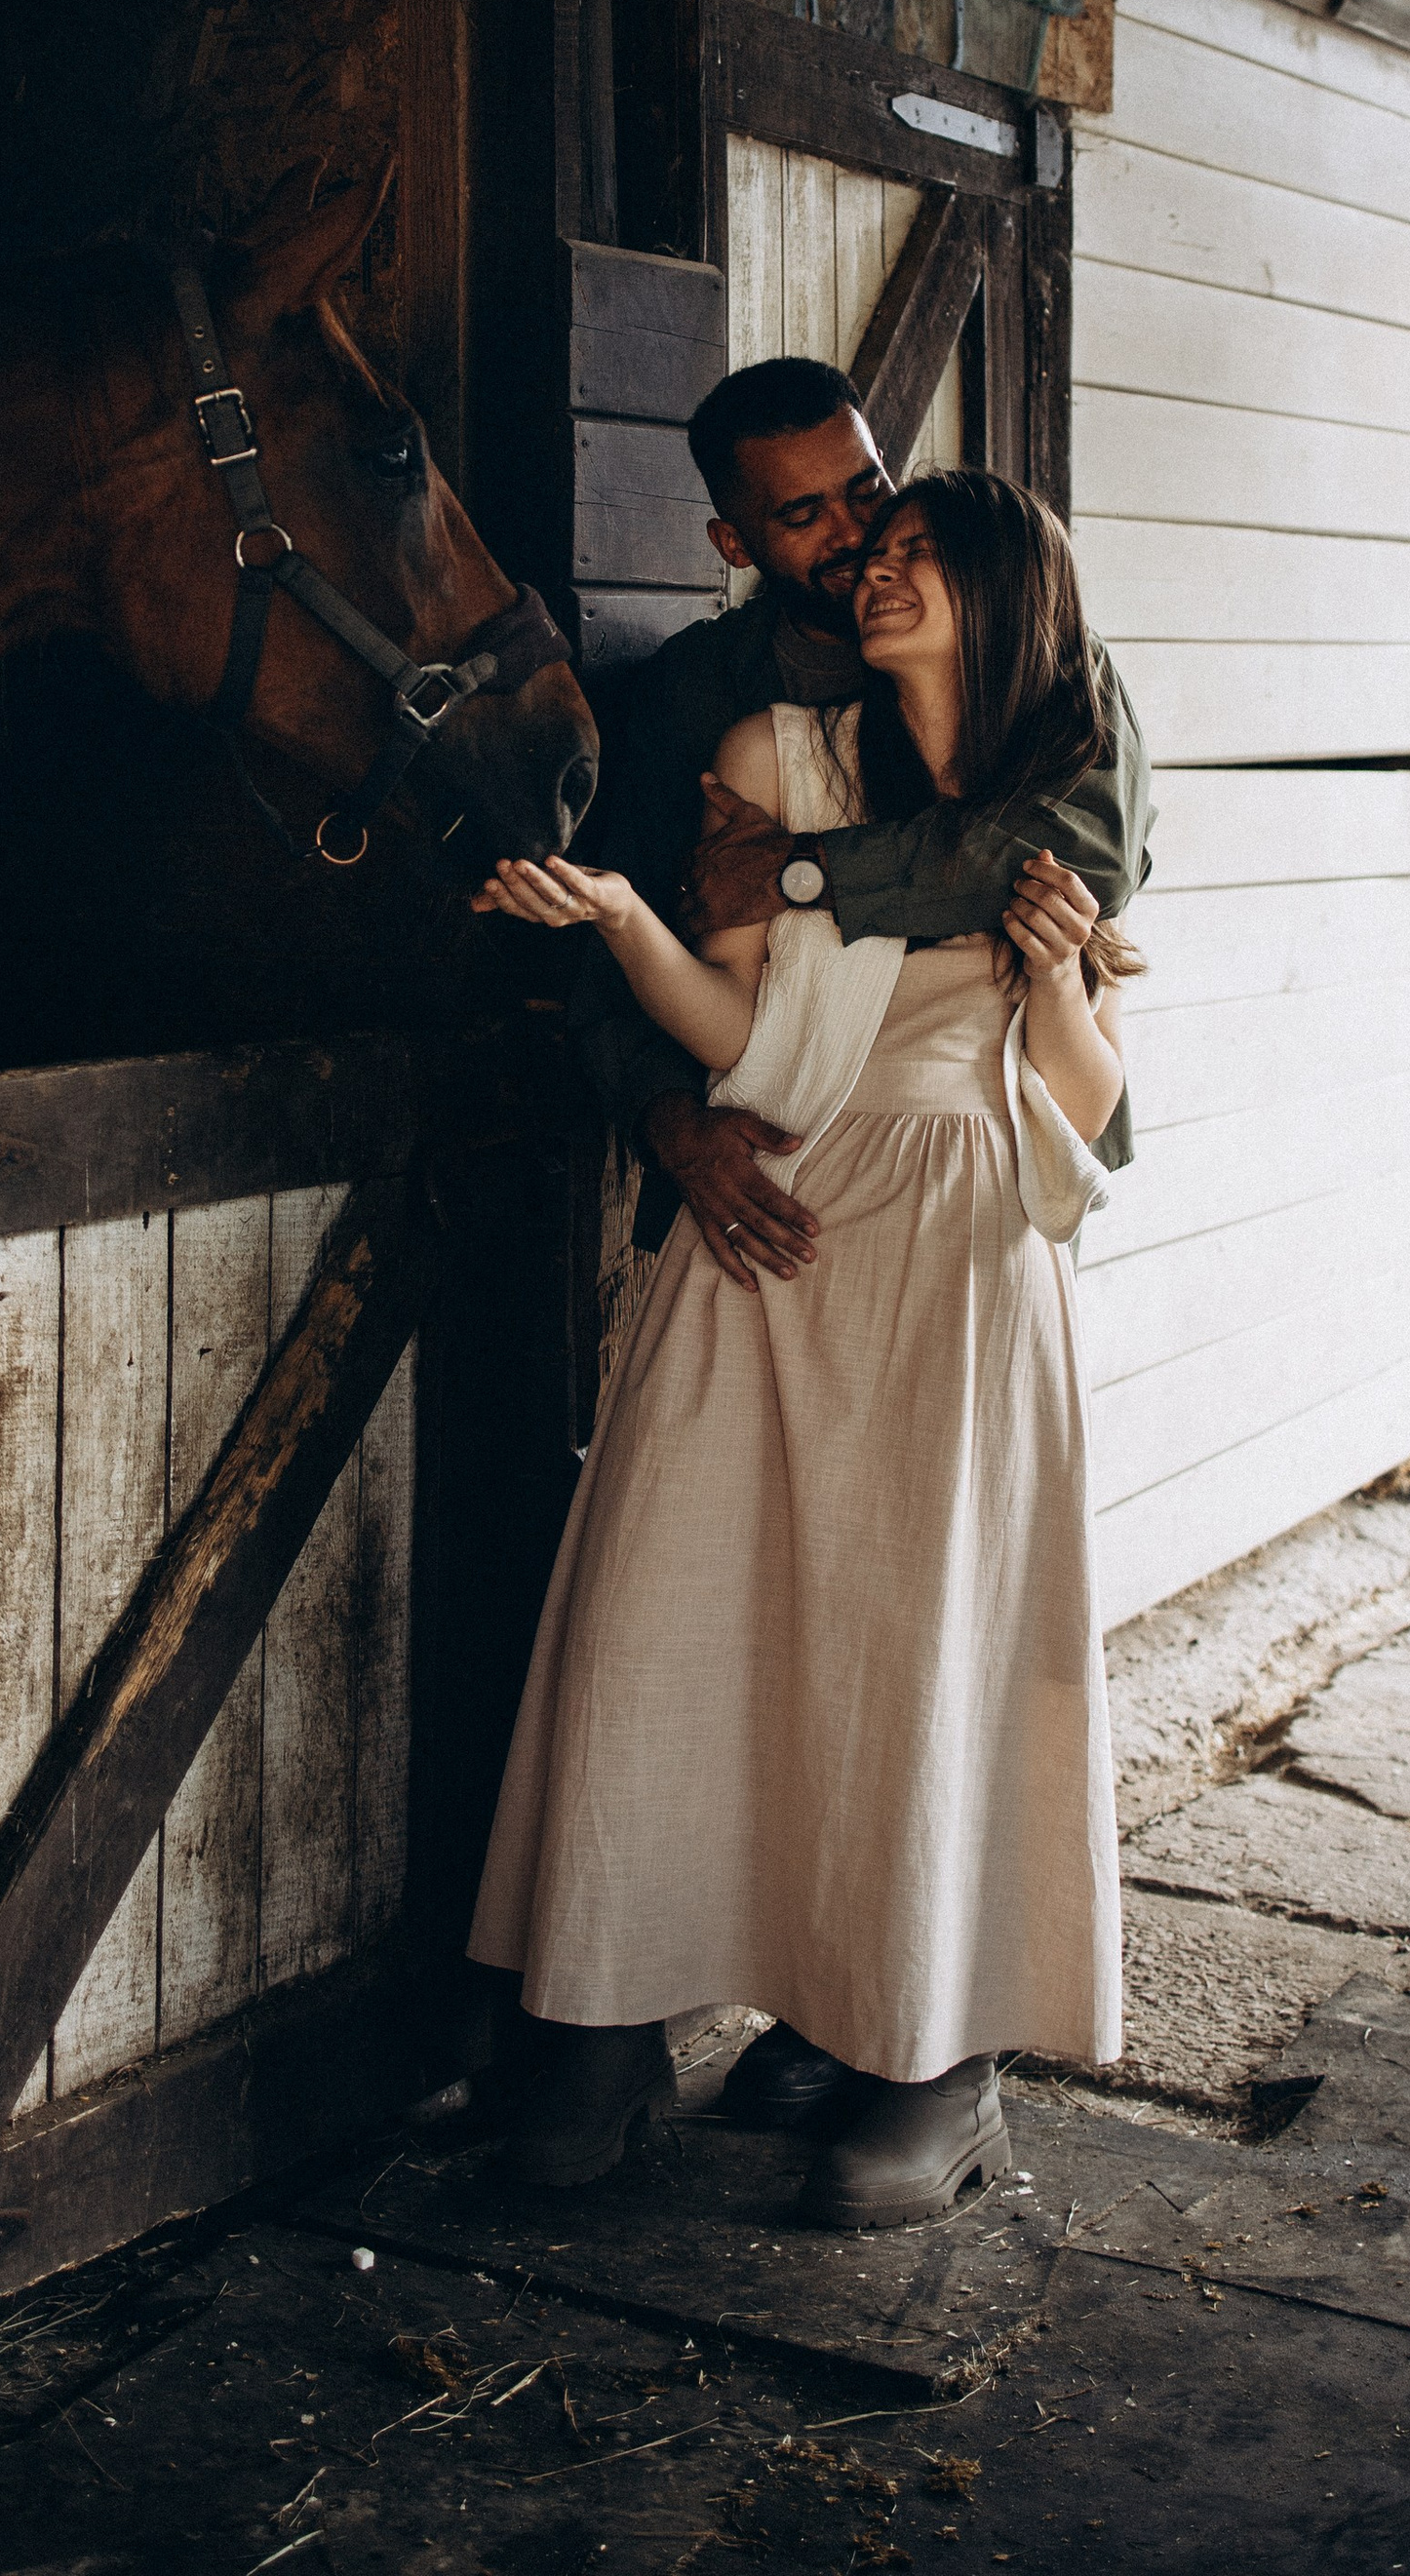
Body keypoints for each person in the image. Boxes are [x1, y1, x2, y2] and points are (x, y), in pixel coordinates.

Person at [469, 468, 1145, 2229]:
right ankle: (609, 2016)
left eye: (918, 553)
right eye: (871, 550)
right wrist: (621, 917)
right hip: (774, 1211)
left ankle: (935, 2055)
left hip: (960, 1240)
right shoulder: (777, 757)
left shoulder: (1055, 809)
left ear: (1005, 593)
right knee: (663, 1602)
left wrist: (1062, 982)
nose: (875, 568)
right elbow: (739, 1018)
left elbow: (1094, 1111)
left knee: (925, 1645)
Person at [565, 360, 1151, 1300]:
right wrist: (674, 1129)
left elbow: (1088, 856)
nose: (857, 535)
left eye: (866, 489)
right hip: (788, 1174)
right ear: (735, 542)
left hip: (1006, 1161)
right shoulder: (705, 694)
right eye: (803, 516)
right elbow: (627, 935)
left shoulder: (1047, 651)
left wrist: (802, 870)